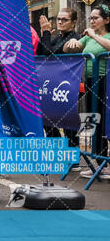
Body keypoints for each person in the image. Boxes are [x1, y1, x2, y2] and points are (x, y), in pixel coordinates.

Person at [64, 4, 110, 179]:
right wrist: (73, 43)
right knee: (91, 120)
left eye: (95, 18)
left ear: (106, 20)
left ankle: (106, 162)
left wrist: (93, 35)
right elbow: (66, 50)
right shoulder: (88, 37)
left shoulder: (97, 36)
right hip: (90, 82)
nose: (91, 21)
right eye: (90, 18)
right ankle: (96, 161)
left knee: (105, 121)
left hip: (106, 81)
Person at [36, 9, 80, 163]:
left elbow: (50, 54)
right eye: (59, 19)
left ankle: (72, 156)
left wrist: (47, 33)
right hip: (51, 85)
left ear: (74, 22)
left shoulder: (75, 38)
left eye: (64, 20)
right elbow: (40, 52)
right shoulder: (55, 37)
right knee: (48, 119)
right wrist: (44, 34)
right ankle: (56, 151)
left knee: (68, 121)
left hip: (68, 86)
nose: (60, 22)